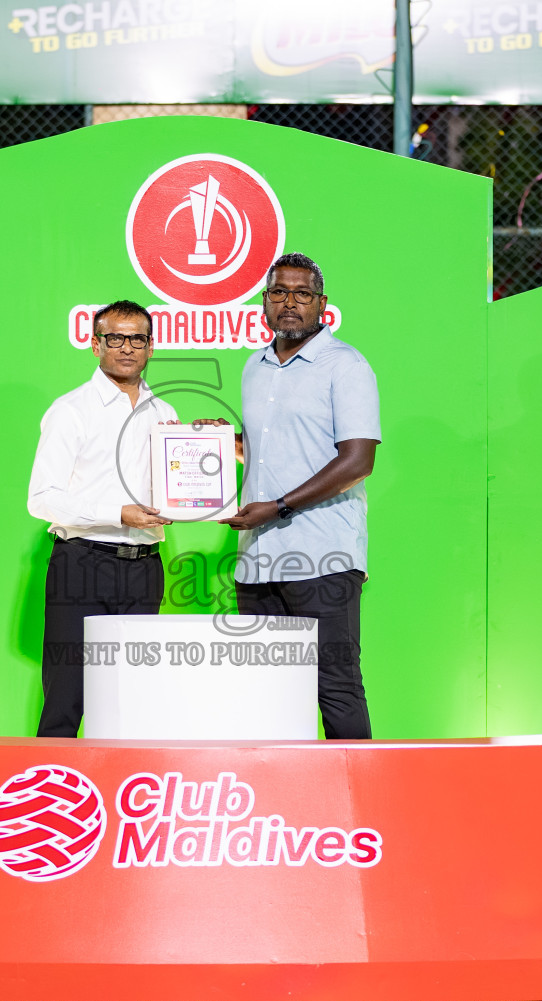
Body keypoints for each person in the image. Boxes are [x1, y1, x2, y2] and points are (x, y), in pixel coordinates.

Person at [219, 253, 380, 739]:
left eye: (302, 294)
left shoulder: (346, 365)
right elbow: (273, 448)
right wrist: (224, 443)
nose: (289, 303)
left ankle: (358, 787)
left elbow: (358, 461)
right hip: (259, 558)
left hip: (322, 555)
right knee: (267, 692)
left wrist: (279, 507)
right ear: (264, 301)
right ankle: (280, 788)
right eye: (279, 292)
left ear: (321, 304)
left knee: (335, 686)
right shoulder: (255, 366)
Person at [28, 300, 177, 737]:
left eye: (137, 339)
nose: (127, 348)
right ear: (95, 345)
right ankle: (52, 779)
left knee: (134, 697)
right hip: (82, 563)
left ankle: (128, 782)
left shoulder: (165, 414)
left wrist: (203, 449)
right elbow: (41, 498)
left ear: (151, 347)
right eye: (115, 338)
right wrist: (117, 513)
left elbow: (173, 488)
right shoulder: (71, 410)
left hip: (145, 567)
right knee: (66, 693)